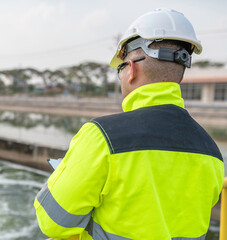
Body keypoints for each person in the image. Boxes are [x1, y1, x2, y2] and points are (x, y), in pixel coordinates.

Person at [34, 8, 225, 240]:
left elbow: (52, 222)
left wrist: (68, 170)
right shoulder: (213, 153)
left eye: (120, 68)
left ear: (131, 69)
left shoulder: (101, 137)